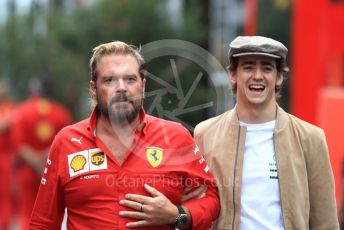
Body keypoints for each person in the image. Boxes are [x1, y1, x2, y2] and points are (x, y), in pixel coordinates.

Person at [29, 41, 220, 229]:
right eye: (109, 80)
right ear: (93, 89)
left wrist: (176, 215)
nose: (121, 88)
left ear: (143, 86)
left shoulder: (176, 137)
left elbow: (212, 199)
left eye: (130, 79)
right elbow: (43, 222)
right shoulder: (67, 142)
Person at [194, 36, 339, 229]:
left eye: (267, 68)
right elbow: (194, 208)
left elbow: (325, 222)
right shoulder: (205, 134)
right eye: (248, 67)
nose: (257, 75)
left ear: (279, 76)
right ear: (232, 74)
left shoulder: (311, 138)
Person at [11, 78, 72, 230]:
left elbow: (19, 145)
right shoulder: (61, 112)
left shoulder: (21, 111)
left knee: (27, 213)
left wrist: (36, 163)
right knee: (52, 215)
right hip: (53, 171)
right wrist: (44, 162)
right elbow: (66, 141)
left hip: (27, 171)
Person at [0, 80, 16, 230]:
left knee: (5, 192)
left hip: (5, 155)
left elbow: (5, 125)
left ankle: (5, 224)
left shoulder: (9, 107)